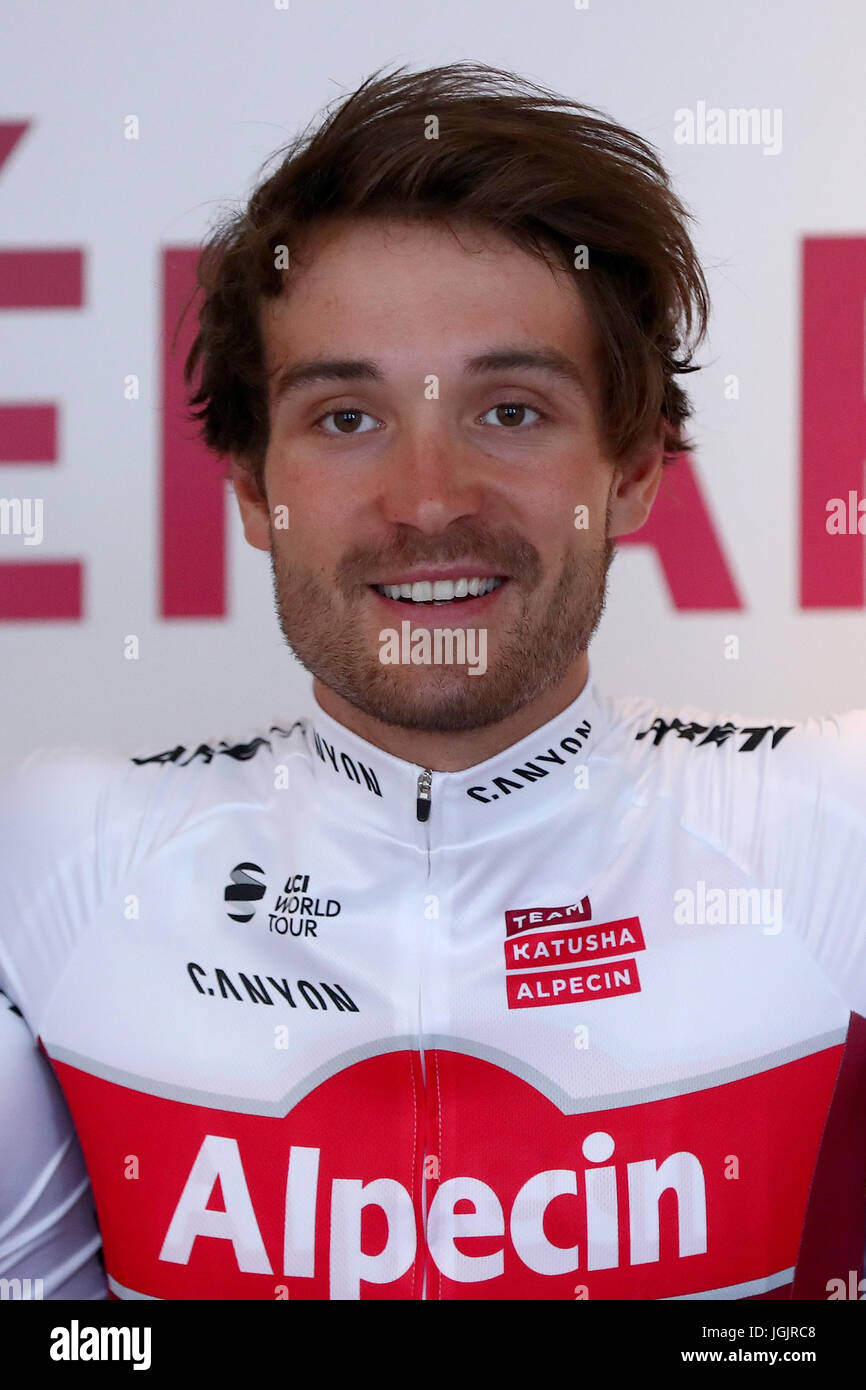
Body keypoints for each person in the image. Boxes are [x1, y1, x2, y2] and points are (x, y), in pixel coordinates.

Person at [1, 61, 865, 1302]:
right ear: (254, 490)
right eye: (345, 419)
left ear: (629, 472)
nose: (427, 501)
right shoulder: (52, 864)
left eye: (508, 410)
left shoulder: (819, 839)